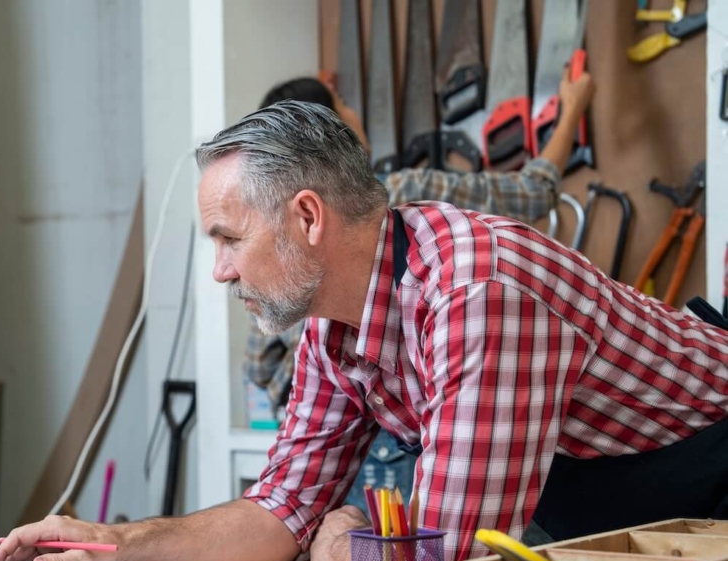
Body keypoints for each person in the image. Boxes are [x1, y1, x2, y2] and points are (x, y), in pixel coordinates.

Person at [0, 95, 728, 561]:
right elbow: (277, 514)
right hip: (614, 506)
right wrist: (109, 541)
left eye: (228, 238)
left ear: (306, 218)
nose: (221, 272)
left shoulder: (477, 292)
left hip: (705, 474)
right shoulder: (334, 330)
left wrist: (340, 546)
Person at [247, 72, 596, 514]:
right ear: (337, 131)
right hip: (393, 445)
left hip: (363, 452)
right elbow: (534, 193)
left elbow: (258, 366)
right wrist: (570, 113)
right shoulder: (403, 194)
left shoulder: (278, 250)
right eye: (344, 102)